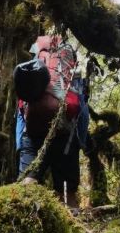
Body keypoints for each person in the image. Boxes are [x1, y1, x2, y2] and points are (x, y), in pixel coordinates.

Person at [16, 38, 90, 209]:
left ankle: (23, 218)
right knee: (67, 193)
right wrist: (81, 143)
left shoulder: (32, 78)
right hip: (65, 135)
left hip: (32, 134)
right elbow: (82, 112)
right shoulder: (70, 76)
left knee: (27, 183)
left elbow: (20, 112)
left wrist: (20, 145)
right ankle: (72, 222)